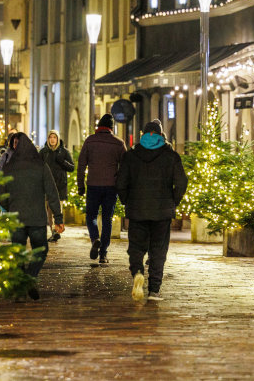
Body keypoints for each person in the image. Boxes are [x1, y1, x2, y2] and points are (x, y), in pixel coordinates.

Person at [116, 119, 187, 302]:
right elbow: (181, 183)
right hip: (162, 212)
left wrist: (126, 201)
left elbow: (121, 183)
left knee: (136, 248)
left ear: (144, 135)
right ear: (161, 135)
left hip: (137, 210)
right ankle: (154, 290)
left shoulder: (131, 156)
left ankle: (138, 274)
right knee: (158, 250)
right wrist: (173, 201)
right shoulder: (171, 156)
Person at [0, 133, 64, 300]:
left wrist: (6, 206)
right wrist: (58, 218)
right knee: (40, 249)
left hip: (16, 216)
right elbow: (52, 193)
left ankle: (21, 284)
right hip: (37, 218)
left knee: (18, 251)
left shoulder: (9, 167)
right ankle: (31, 277)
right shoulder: (41, 166)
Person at [77, 114, 126, 264]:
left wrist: (80, 185)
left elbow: (81, 165)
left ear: (99, 126)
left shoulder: (90, 141)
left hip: (93, 185)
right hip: (111, 187)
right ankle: (103, 254)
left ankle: (95, 239)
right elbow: (125, 167)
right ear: (111, 127)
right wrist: (119, 183)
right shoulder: (118, 143)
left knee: (91, 216)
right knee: (107, 220)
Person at [39, 130, 75, 242]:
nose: (53, 139)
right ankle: (54, 232)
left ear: (58, 138)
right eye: (51, 137)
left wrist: (62, 162)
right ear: (48, 139)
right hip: (47, 185)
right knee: (49, 209)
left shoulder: (63, 152)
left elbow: (72, 167)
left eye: (55, 137)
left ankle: (57, 229)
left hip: (60, 185)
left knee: (57, 208)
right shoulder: (44, 152)